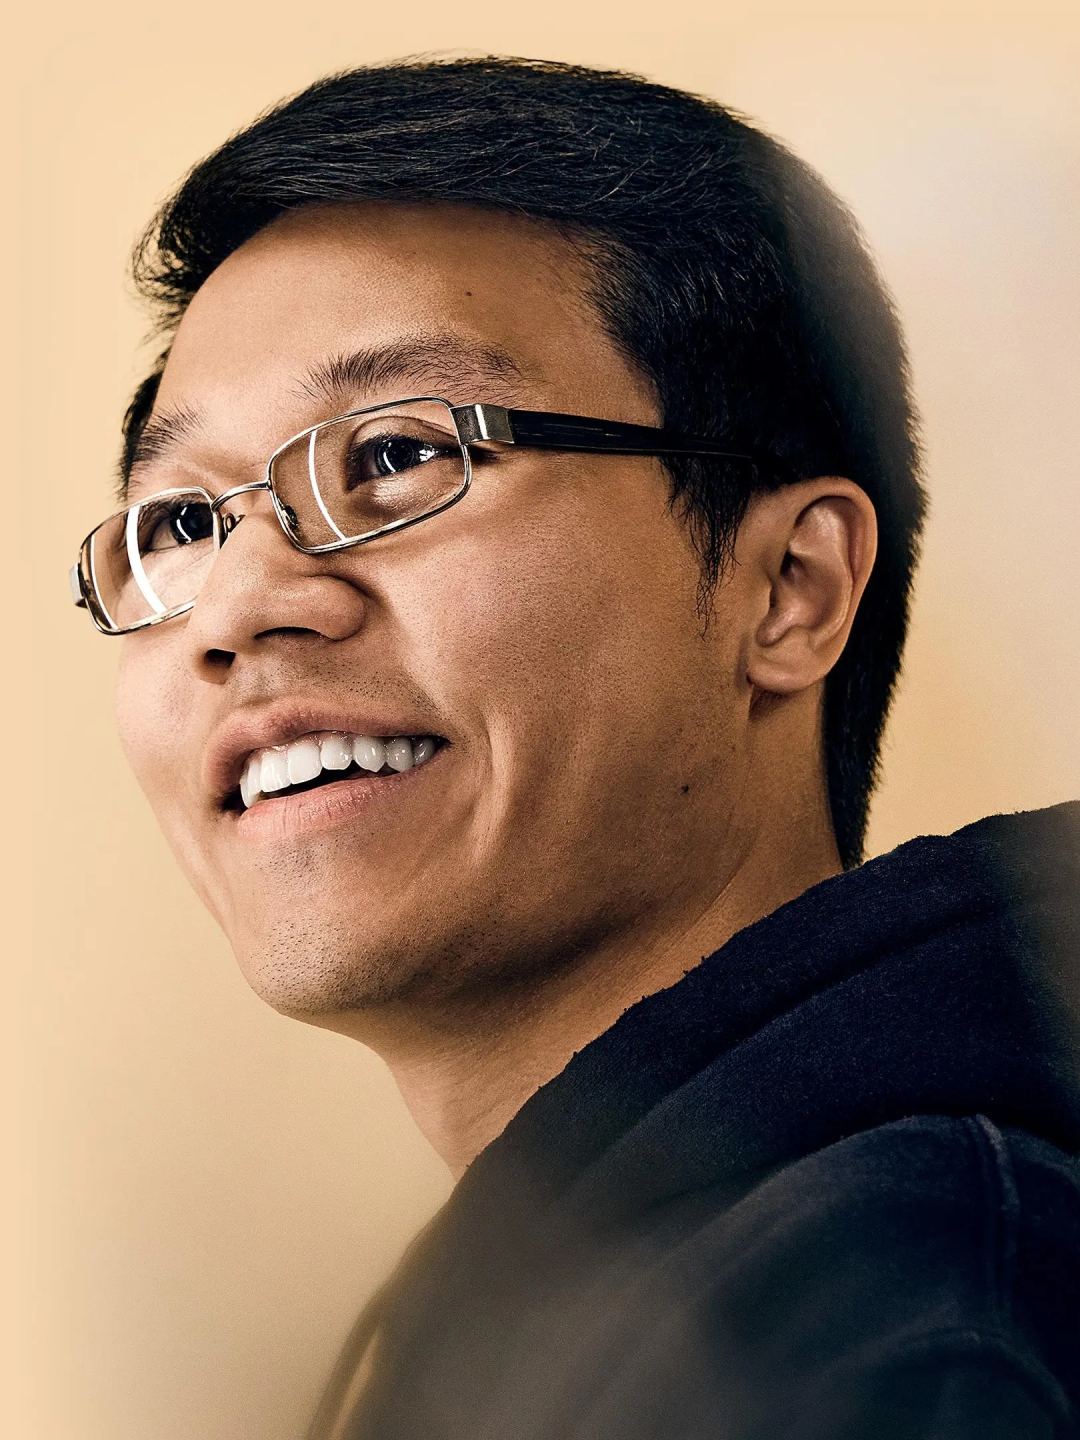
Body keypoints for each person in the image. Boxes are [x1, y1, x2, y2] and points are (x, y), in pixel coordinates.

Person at [71, 57, 1080, 1440]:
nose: (239, 605)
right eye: (184, 524)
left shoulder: (894, 1311)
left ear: (788, 590)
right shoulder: (570, 1323)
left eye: (398, 454)